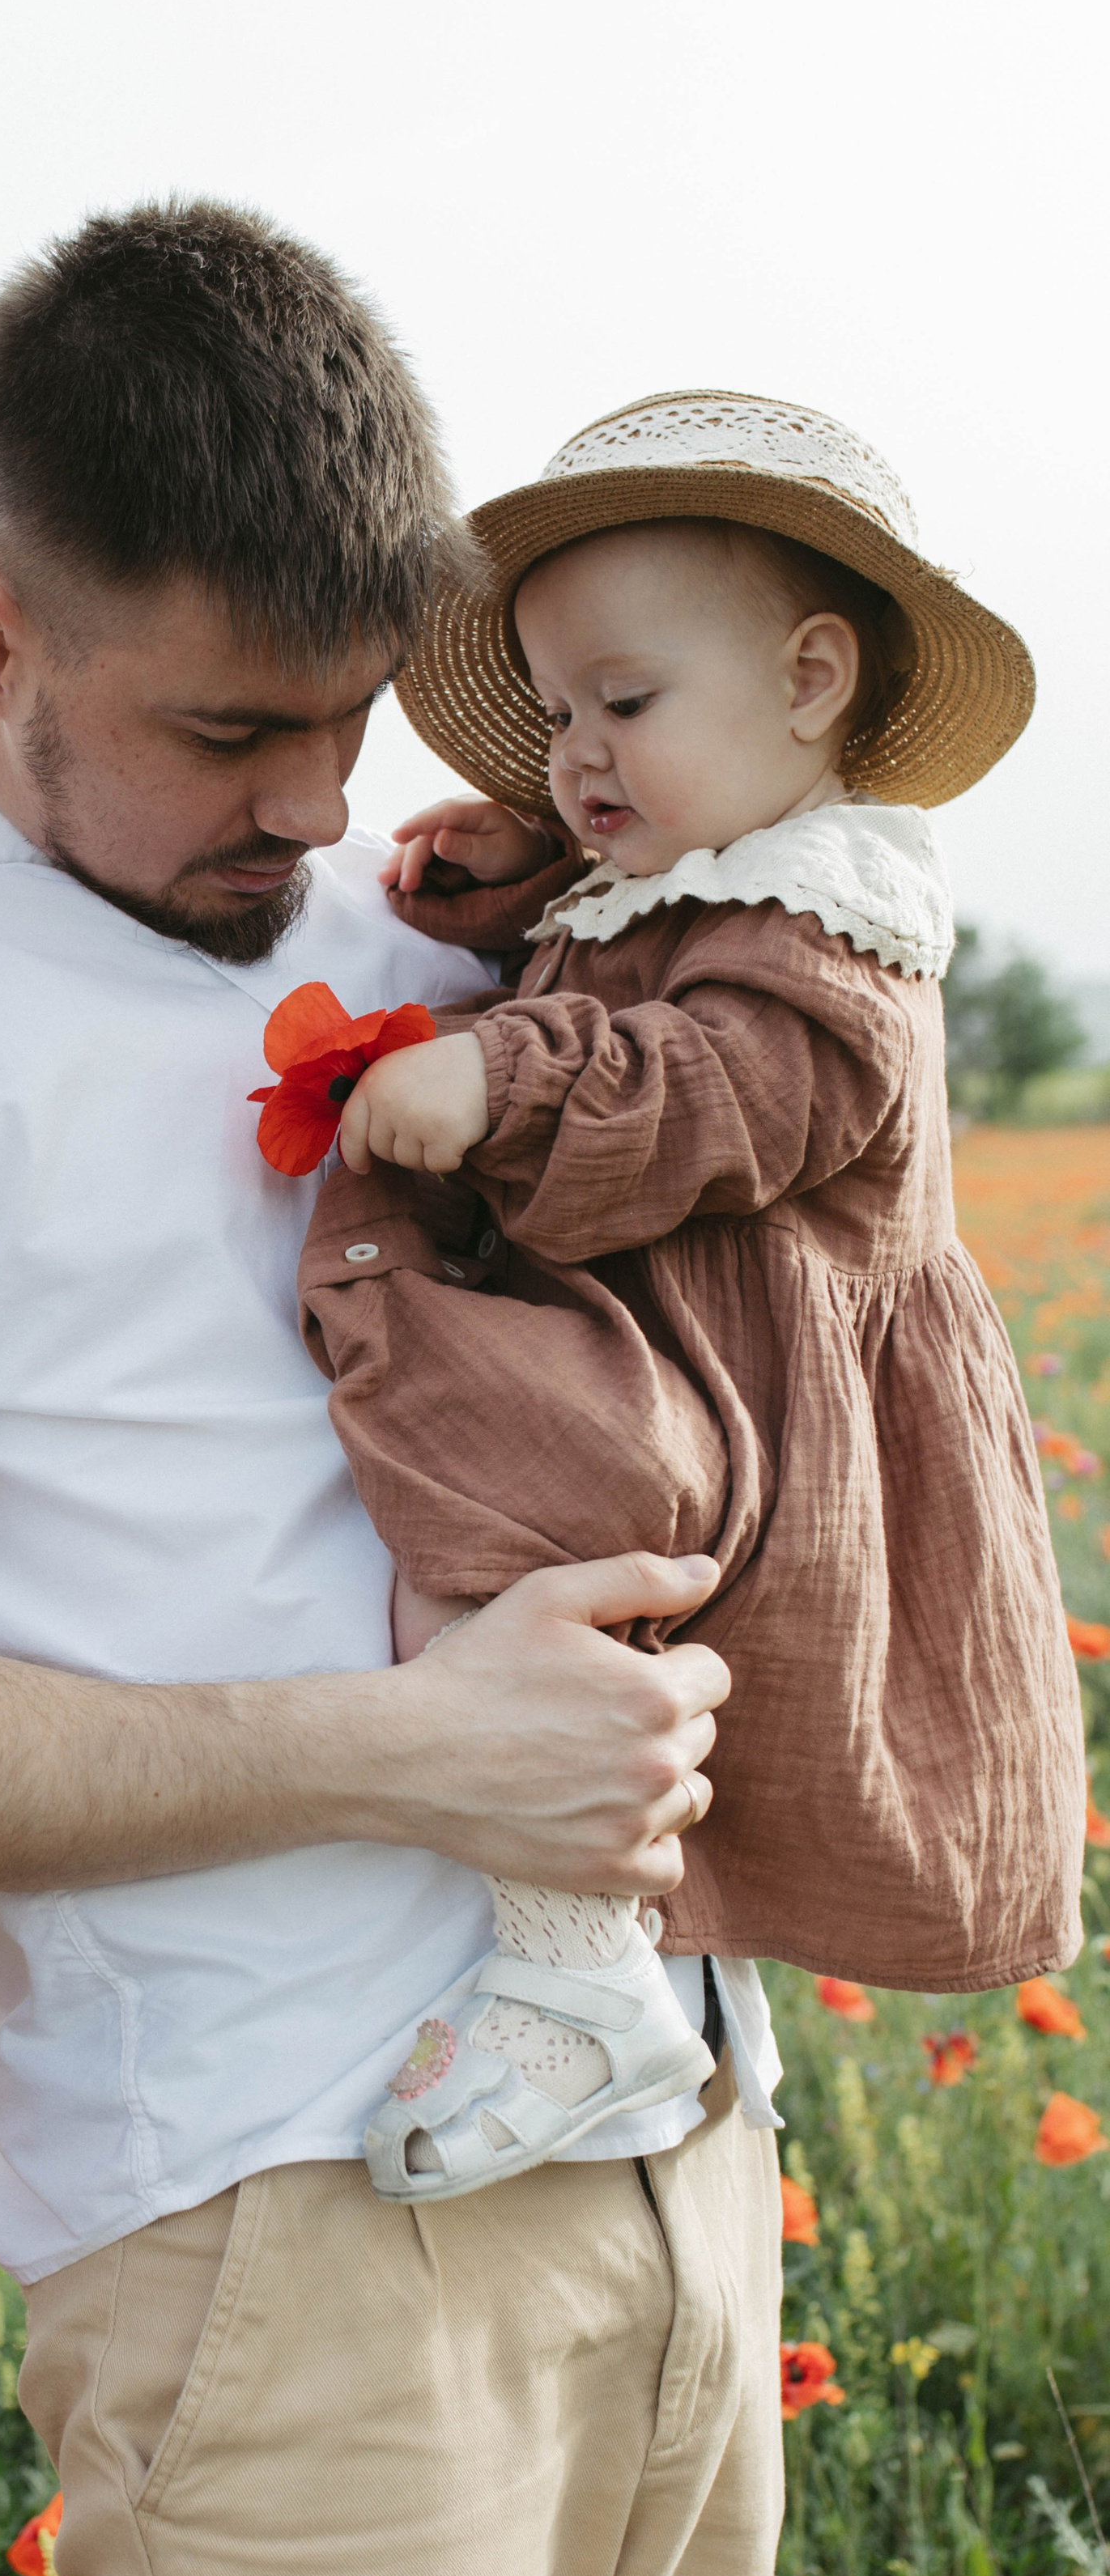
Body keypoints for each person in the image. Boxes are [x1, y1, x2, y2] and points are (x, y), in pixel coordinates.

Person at [0, 205, 771, 2576]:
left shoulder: (415, 918)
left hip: (685, 2141)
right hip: (282, 2223)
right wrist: (414, 1756)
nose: (313, 805)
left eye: (352, 720)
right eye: (230, 733)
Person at [283, 390, 1082, 2205]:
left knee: (531, 1506)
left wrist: (502, 1077)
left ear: (809, 679)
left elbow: (722, 1087)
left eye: (619, 706)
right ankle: (654, 1974)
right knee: (551, 1555)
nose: (574, 752)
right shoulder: (686, 871)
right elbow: (629, 938)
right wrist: (522, 887)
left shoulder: (832, 934)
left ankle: (576, 1980)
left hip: (750, 1413)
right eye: (555, 717)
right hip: (677, 1366)